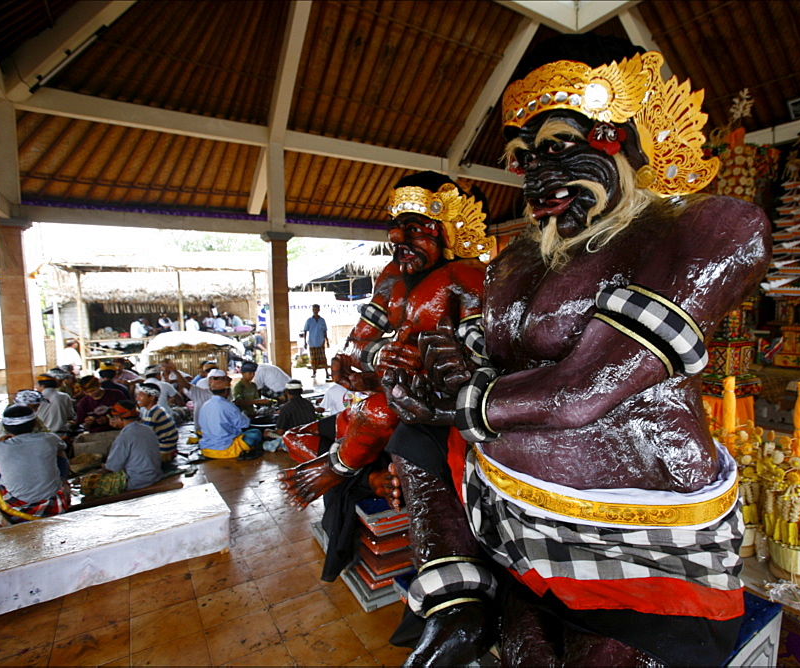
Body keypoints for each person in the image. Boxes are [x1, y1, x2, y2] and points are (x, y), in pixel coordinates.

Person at [383, 35, 772, 666]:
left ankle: (488, 606)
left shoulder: (710, 228)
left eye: (560, 148)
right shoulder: (511, 261)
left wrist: (463, 399)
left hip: (638, 538)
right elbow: (484, 366)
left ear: (626, 140)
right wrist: (433, 381)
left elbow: (579, 392)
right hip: (505, 507)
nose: (536, 176)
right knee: (414, 439)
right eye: (524, 158)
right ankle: (460, 601)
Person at [280, 171, 492, 510]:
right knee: (295, 438)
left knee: (379, 411)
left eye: (412, 227)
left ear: (446, 228)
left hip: (432, 398)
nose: (396, 236)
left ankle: (340, 468)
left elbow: (484, 354)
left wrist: (436, 361)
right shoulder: (391, 276)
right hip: (389, 386)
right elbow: (356, 343)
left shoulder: (467, 277)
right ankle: (373, 480)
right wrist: (363, 360)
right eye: (394, 226)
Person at [0, 405, 70, 524]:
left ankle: (1, 511)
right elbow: (62, 446)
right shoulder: (50, 439)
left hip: (16, 505)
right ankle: (63, 481)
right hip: (54, 502)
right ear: (35, 424)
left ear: (6, 428)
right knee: (59, 451)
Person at [80, 401, 163, 498]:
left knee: (92, 485)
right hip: (156, 475)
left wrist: (92, 475)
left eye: (114, 418)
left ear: (119, 418)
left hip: (138, 481)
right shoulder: (147, 429)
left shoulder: (124, 437)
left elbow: (112, 467)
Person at [198, 372, 264, 459]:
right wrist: (244, 414)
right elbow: (244, 424)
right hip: (225, 448)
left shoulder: (205, 405)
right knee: (255, 433)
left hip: (207, 448)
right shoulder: (228, 406)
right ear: (226, 391)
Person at [135, 383, 179, 462]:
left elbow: (145, 435)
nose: (137, 398)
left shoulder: (154, 412)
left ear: (152, 397)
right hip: (170, 447)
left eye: (141, 396)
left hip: (164, 451)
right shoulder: (157, 409)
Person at [301, 304, 331, 381]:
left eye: (316, 309)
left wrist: (327, 341)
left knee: (323, 358)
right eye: (314, 309)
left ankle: (327, 373)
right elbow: (305, 331)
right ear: (312, 310)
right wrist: (304, 342)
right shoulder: (309, 320)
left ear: (319, 310)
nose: (315, 311)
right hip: (312, 342)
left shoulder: (322, 320)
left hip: (321, 342)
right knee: (314, 359)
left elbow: (325, 332)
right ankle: (314, 373)